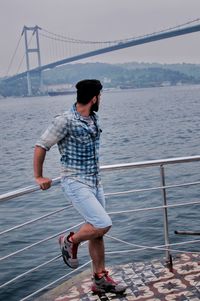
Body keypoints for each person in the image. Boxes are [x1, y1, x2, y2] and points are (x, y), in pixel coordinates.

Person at [33, 79, 126, 294]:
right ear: (94, 98)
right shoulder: (64, 120)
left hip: (94, 181)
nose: (100, 99)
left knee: (97, 233)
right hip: (75, 181)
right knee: (102, 223)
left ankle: (100, 278)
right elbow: (41, 145)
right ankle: (69, 240)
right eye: (100, 95)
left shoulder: (93, 118)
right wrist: (39, 176)